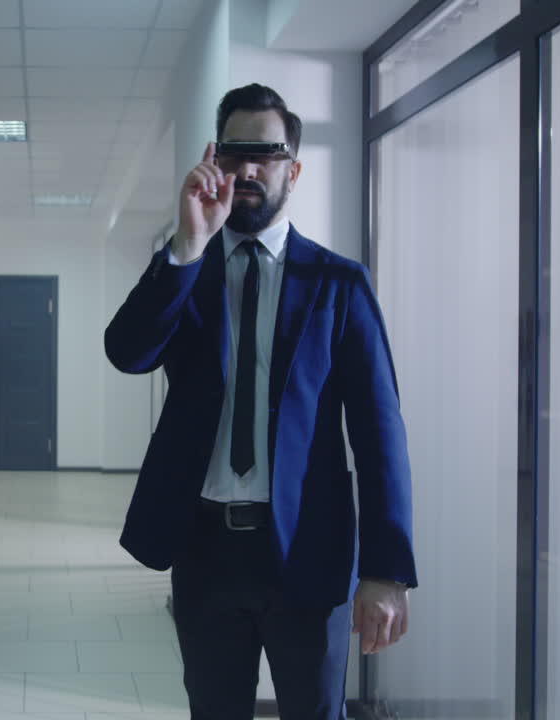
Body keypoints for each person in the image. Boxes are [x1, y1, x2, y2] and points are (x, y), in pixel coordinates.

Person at [105, 83, 418, 720]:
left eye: (267, 154)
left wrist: (387, 569)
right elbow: (127, 351)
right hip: (205, 551)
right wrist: (187, 247)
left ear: (293, 169)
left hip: (310, 555)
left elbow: (380, 432)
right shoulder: (187, 270)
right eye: (234, 152)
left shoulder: (338, 283)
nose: (248, 169)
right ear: (214, 160)